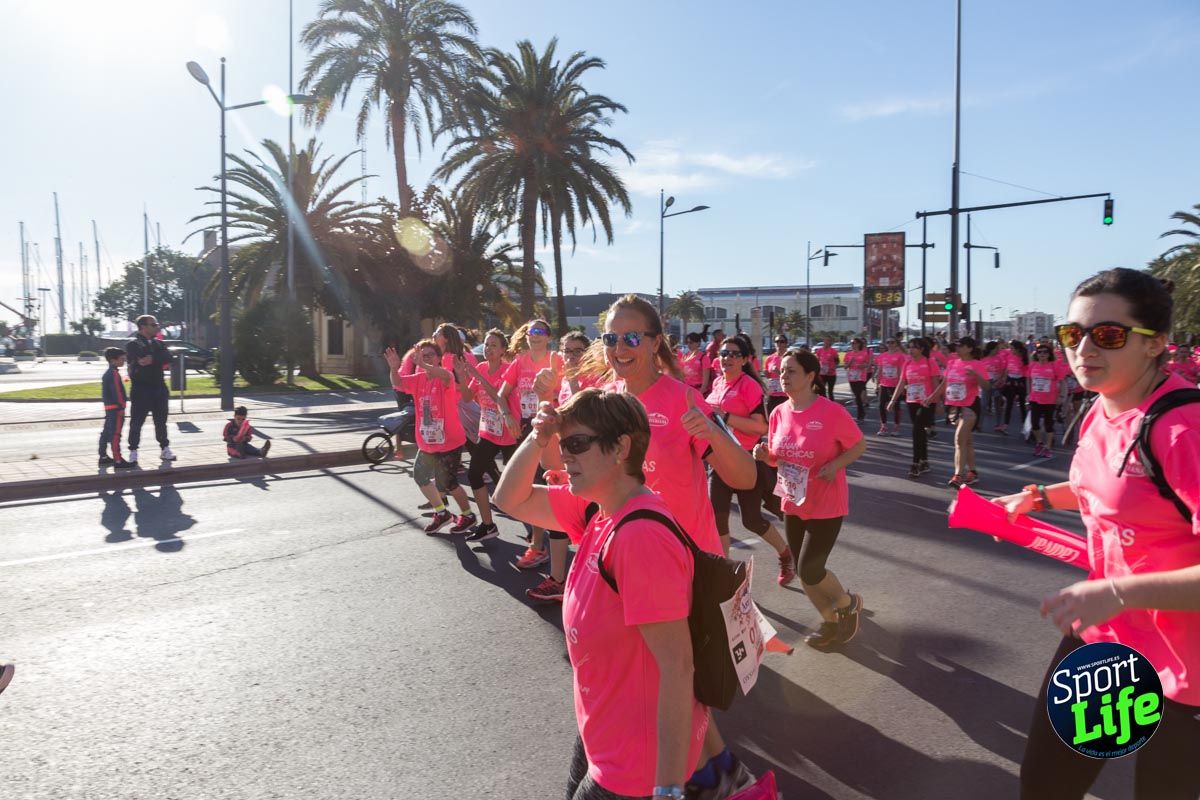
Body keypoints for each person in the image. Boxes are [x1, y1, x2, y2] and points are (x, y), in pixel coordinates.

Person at [994, 268, 1200, 800]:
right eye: (1072, 334)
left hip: (1186, 670)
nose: (1083, 348)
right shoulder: (1102, 409)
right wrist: (1037, 497)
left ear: (1156, 345)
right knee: (1046, 785)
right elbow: (1106, 485)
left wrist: (1118, 591)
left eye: (1107, 335)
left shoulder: (1184, 431)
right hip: (1107, 643)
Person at [568, 294, 757, 797]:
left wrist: (715, 433)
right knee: (655, 682)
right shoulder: (604, 401)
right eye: (610, 338)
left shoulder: (683, 400)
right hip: (623, 569)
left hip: (682, 573)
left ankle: (703, 775)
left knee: (675, 677)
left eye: (632, 337)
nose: (619, 348)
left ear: (655, 344)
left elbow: (744, 475)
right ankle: (721, 771)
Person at [493, 390, 707, 800]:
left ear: (621, 447)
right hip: (603, 731)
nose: (564, 456)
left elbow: (678, 668)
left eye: (576, 444)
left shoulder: (640, 536)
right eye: (562, 444)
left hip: (634, 764)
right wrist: (537, 439)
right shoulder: (597, 511)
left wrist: (668, 789)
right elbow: (510, 499)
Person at [753, 349, 867, 649]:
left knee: (810, 569)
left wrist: (835, 465)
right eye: (781, 371)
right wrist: (766, 456)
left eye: (791, 371)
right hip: (792, 501)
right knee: (805, 571)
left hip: (827, 502)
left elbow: (858, 445)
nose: (783, 376)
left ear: (810, 376)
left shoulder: (831, 412)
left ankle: (848, 603)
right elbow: (778, 458)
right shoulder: (778, 413)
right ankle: (830, 623)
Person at [705, 334, 795, 585]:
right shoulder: (718, 383)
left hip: (746, 461)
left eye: (734, 354)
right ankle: (723, 573)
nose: (727, 358)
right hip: (719, 460)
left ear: (745, 360)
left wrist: (725, 416)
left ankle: (786, 554)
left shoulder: (749, 386)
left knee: (752, 520)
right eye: (723, 353)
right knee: (717, 516)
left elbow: (760, 427)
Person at [385, 340, 475, 534]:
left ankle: (468, 515)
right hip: (427, 442)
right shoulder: (417, 379)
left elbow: (442, 374)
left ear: (439, 358)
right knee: (420, 476)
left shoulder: (446, 377)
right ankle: (442, 513)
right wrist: (394, 368)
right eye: (422, 355)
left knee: (448, 483)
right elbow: (398, 383)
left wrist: (423, 364)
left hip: (449, 441)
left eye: (430, 355)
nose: (425, 359)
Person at [499, 319, 565, 569]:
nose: (534, 335)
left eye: (540, 332)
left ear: (548, 337)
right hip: (529, 427)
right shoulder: (519, 362)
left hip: (555, 428)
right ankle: (539, 543)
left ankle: (542, 544)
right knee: (533, 482)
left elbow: (570, 392)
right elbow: (502, 395)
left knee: (549, 483)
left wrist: (551, 397)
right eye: (530, 331)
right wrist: (507, 416)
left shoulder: (557, 360)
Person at [458, 329, 521, 542]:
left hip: (509, 433)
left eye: (494, 345)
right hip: (488, 431)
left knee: (517, 483)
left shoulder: (507, 370)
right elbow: (467, 397)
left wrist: (478, 377)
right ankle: (487, 524)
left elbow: (498, 398)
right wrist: (462, 377)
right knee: (474, 474)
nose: (488, 349)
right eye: (486, 344)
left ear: (503, 350)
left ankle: (534, 530)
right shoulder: (481, 367)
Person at [926, 337, 988, 487]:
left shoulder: (977, 364)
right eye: (957, 346)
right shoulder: (953, 363)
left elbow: (986, 386)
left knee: (959, 440)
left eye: (960, 346)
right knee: (967, 441)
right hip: (954, 406)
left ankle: (957, 475)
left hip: (970, 406)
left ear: (969, 348)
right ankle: (972, 472)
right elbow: (944, 384)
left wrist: (976, 376)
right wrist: (931, 398)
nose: (957, 348)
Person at [124, 314, 175, 463]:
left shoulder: (159, 343)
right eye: (153, 325)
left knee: (161, 421)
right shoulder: (133, 344)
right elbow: (139, 358)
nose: (156, 327)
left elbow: (168, 357)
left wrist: (152, 358)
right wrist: (156, 357)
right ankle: (133, 451)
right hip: (141, 389)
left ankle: (165, 449)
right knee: (137, 421)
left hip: (159, 388)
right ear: (143, 327)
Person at [888, 338, 939, 479]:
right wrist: (893, 399)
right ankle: (925, 461)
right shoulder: (907, 363)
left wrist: (937, 401)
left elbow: (935, 383)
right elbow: (902, 382)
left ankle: (915, 463)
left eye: (914, 347)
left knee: (916, 429)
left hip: (927, 402)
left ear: (922, 349)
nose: (910, 350)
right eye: (909, 347)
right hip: (911, 401)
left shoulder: (930, 362)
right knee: (919, 432)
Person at [1026, 343, 1065, 458]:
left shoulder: (1054, 366)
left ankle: (1047, 447)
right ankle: (1039, 443)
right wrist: (1028, 394)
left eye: (1045, 352)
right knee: (1034, 423)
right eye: (1040, 352)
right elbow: (1028, 380)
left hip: (1050, 400)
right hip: (1035, 399)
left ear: (1049, 354)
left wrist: (1061, 396)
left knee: (1049, 424)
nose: (1042, 354)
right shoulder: (1032, 366)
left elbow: (1062, 382)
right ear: (1036, 354)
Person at [98, 347, 134, 469]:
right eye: (122, 359)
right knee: (115, 434)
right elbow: (117, 392)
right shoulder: (114, 373)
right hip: (116, 409)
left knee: (106, 433)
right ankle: (118, 460)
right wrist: (122, 406)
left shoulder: (108, 373)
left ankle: (103, 456)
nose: (123, 361)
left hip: (109, 408)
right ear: (113, 360)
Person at [874, 337, 905, 436]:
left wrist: (902, 385)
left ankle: (896, 427)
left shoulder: (900, 356)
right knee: (881, 405)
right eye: (888, 342)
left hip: (895, 385)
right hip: (884, 384)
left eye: (892, 342)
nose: (890, 344)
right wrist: (877, 384)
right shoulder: (882, 356)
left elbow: (901, 371)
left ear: (896, 344)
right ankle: (883, 426)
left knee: (896, 406)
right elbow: (880, 370)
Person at [997, 339, 1030, 433]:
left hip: (1021, 381)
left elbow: (1028, 372)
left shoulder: (1025, 358)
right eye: (1010, 348)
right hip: (1010, 381)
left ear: (1018, 349)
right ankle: (1005, 425)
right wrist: (1003, 379)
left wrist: (1028, 390)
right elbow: (1007, 369)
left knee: (1022, 405)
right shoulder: (1009, 356)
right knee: (1009, 403)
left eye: (1013, 349)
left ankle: (1025, 427)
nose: (1011, 350)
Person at [843, 337, 873, 421]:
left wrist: (862, 366)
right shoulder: (848, 354)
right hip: (852, 377)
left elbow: (868, 364)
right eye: (852, 343)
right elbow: (845, 367)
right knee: (856, 395)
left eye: (855, 343)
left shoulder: (864, 353)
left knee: (858, 394)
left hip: (861, 377)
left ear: (859, 344)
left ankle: (860, 415)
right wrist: (850, 362)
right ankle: (862, 412)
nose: (853, 345)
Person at [763, 335, 790, 414]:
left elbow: (794, 375)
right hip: (773, 393)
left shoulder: (790, 357)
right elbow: (768, 376)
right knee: (771, 414)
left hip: (786, 393)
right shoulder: (770, 358)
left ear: (786, 343)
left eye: (782, 341)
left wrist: (779, 373)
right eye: (777, 341)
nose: (779, 344)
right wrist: (766, 373)